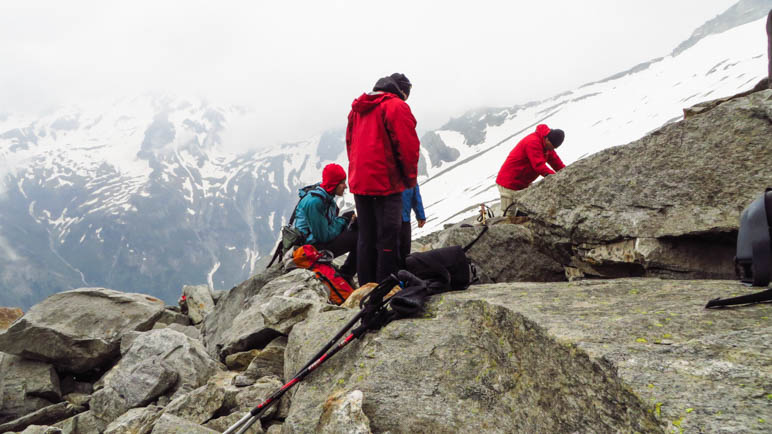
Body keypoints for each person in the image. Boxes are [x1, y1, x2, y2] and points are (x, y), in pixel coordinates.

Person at [346, 73, 420, 285]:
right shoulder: (396, 106)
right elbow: (407, 147)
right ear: (402, 90)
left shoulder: (358, 109)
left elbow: (350, 143)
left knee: (366, 237)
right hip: (386, 184)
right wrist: (408, 180)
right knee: (389, 237)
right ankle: (384, 288)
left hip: (360, 182)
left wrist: (356, 175)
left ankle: (365, 288)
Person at [294, 163, 357, 280]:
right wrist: (344, 220)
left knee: (357, 229)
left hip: (313, 244)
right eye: (342, 182)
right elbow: (324, 236)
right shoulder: (315, 202)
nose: (346, 186)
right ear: (334, 184)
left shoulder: (325, 196)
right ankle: (346, 275)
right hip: (310, 250)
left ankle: (346, 274)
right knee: (358, 237)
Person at [495, 124, 565, 215]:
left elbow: (556, 162)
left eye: (554, 148)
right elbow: (539, 165)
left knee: (523, 212)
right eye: (552, 146)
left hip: (522, 183)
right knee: (509, 214)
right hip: (509, 182)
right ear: (547, 139)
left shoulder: (546, 146)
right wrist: (555, 178)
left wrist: (567, 173)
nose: (552, 149)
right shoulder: (533, 142)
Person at [400, 184, 426, 261]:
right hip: (387, 220)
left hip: (404, 219)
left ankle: (403, 270)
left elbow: (415, 195)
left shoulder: (409, 175)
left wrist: (420, 215)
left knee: (405, 249)